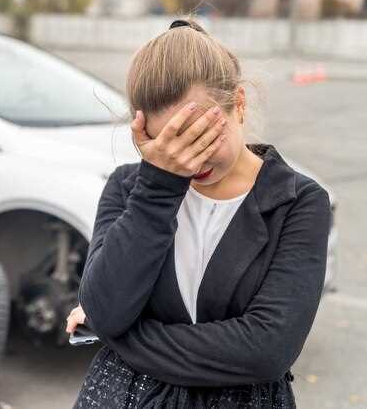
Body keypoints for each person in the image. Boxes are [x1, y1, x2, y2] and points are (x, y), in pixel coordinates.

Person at [66, 20, 331, 408]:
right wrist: (157, 187)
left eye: (202, 136)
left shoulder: (298, 203)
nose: (189, 159)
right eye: (167, 141)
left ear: (238, 105)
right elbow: (107, 308)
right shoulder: (129, 189)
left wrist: (122, 337)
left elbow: (267, 350)